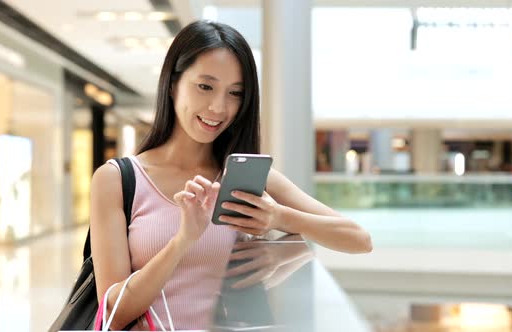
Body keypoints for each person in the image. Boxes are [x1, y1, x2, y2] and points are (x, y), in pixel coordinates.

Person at [90, 20, 372, 330]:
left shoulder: (245, 178)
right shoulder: (117, 180)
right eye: (205, 86)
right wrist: (183, 240)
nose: (218, 108)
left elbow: (359, 240)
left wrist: (280, 227)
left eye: (235, 93)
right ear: (172, 84)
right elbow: (114, 311)